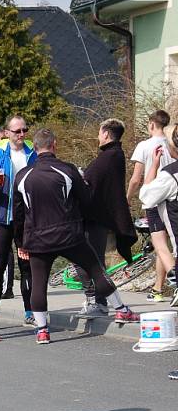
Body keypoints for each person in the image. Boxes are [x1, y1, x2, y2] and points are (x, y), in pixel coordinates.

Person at [13, 129, 139, 345]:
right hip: (68, 235)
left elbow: (18, 214)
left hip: (37, 239)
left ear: (34, 148)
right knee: (96, 269)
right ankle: (120, 309)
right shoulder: (67, 170)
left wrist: (20, 243)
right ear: (54, 145)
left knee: (39, 283)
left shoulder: (22, 176)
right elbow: (87, 199)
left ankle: (42, 330)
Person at [73, 119, 137, 316]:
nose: (98, 137)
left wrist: (79, 175)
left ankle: (96, 301)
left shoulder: (110, 156)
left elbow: (91, 180)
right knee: (93, 260)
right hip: (98, 217)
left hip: (96, 218)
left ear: (107, 134)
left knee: (85, 260)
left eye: (100, 133)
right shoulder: (114, 155)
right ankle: (97, 301)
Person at [0, 115, 36, 331]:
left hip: (26, 220)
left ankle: (29, 313)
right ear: (7, 133)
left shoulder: (33, 156)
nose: (22, 134)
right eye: (17, 131)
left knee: (27, 267)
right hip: (4, 218)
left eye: (25, 130)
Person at [127, 110, 176, 302]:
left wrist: (128, 198)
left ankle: (173, 284)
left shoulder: (145, 146)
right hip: (172, 197)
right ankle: (158, 287)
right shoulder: (172, 142)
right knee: (166, 245)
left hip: (154, 196)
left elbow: (136, 178)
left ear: (151, 124)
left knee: (160, 244)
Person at [140, 124, 178, 307]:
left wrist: (154, 164)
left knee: (160, 245)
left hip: (162, 202)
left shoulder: (170, 175)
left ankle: (170, 285)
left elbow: (145, 194)